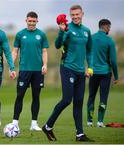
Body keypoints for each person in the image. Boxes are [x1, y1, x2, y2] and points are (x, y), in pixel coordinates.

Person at [42, 5, 94, 141]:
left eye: (77, 14)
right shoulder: (67, 28)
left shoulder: (86, 31)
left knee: (79, 102)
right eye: (73, 15)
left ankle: (80, 134)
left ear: (82, 14)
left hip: (81, 72)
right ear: (70, 16)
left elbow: (89, 51)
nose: (75, 17)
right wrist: (62, 32)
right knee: (67, 100)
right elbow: (58, 45)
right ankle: (48, 126)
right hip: (67, 68)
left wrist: (90, 68)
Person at [11, 11, 49, 131]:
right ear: (26, 21)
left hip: (38, 71)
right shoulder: (20, 34)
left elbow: (44, 51)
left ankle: (34, 124)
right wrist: (12, 67)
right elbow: (15, 51)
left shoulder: (41, 35)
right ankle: (15, 122)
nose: (32, 23)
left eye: (34, 21)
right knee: (20, 96)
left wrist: (45, 65)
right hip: (24, 70)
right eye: (30, 21)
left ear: (37, 21)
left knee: (36, 96)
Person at [87, 19, 119, 128]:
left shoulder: (91, 37)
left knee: (91, 96)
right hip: (105, 73)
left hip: (93, 72)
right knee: (103, 97)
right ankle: (100, 122)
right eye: (109, 27)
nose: (109, 29)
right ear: (104, 27)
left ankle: (89, 121)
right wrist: (116, 76)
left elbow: (86, 53)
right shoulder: (109, 41)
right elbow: (113, 61)